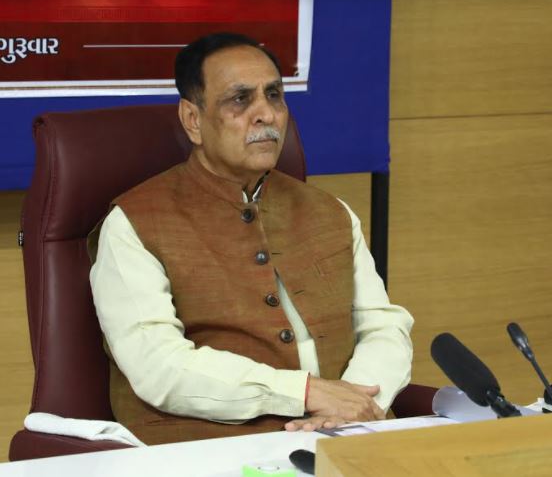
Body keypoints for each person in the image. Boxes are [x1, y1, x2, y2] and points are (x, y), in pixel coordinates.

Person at [89, 32, 413, 445]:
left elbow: (384, 327)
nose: (266, 115)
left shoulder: (330, 211)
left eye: (274, 96)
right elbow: (158, 366)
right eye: (240, 99)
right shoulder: (134, 223)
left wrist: (355, 401)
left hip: (349, 435)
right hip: (209, 448)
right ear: (193, 120)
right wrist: (305, 393)